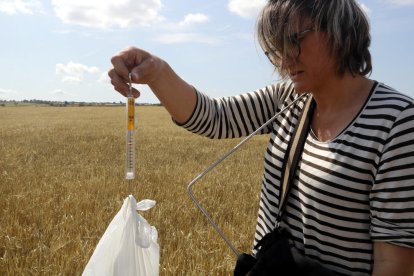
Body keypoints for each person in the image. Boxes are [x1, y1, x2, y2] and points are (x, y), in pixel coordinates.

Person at [108, 0, 414, 275]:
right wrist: (157, 72)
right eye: (275, 48)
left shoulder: (397, 122)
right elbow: (215, 118)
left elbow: (394, 262)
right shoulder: (289, 99)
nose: (284, 60)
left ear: (340, 30)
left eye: (293, 40)